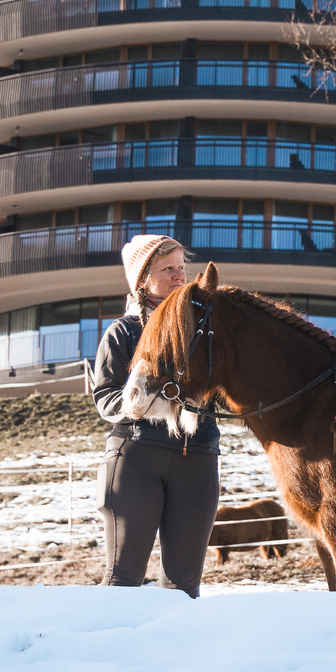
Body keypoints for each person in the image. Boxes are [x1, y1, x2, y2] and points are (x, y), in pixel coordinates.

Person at [91, 234, 221, 596]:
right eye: (168, 269)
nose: (180, 275)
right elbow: (105, 398)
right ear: (142, 279)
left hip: (197, 459)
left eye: (181, 267)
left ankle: (176, 654)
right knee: (123, 579)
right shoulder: (123, 332)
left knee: (184, 587)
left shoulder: (204, 331)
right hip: (136, 460)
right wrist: (136, 402)